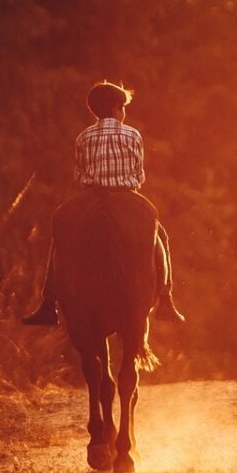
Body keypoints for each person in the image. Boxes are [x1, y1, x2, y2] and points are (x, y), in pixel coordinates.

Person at [21, 81, 184, 326]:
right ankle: (166, 298)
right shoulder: (132, 134)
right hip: (126, 193)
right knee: (161, 234)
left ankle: (48, 302)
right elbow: (139, 174)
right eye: (124, 107)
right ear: (118, 108)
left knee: (60, 234)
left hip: (91, 194)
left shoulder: (83, 136)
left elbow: (79, 173)